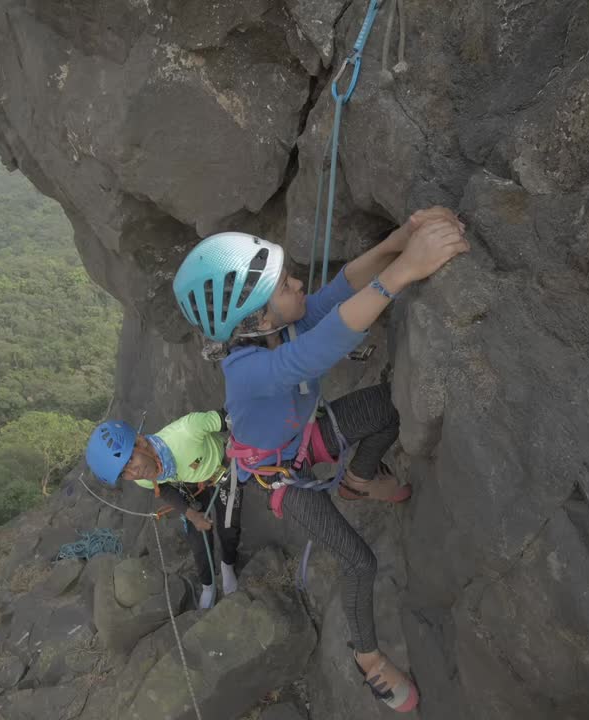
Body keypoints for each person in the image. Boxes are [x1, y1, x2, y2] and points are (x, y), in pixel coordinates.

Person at [172, 206, 468, 712]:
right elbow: (318, 351)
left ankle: (357, 478)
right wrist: (404, 271)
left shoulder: (270, 324)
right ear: (258, 319)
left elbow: (338, 290)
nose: (297, 282)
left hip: (304, 439)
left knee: (386, 409)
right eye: (284, 283)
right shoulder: (246, 369)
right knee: (359, 561)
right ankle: (369, 660)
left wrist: (397, 242)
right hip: (279, 477)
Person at [84, 410, 239, 609]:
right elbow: (164, 488)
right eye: (124, 473)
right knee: (199, 545)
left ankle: (228, 566)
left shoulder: (188, 430)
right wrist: (191, 515)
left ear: (140, 442)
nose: (134, 472)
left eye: (130, 460)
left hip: (222, 470)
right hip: (191, 487)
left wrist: (238, 447)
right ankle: (208, 586)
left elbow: (231, 415)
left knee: (228, 528)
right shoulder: (143, 479)